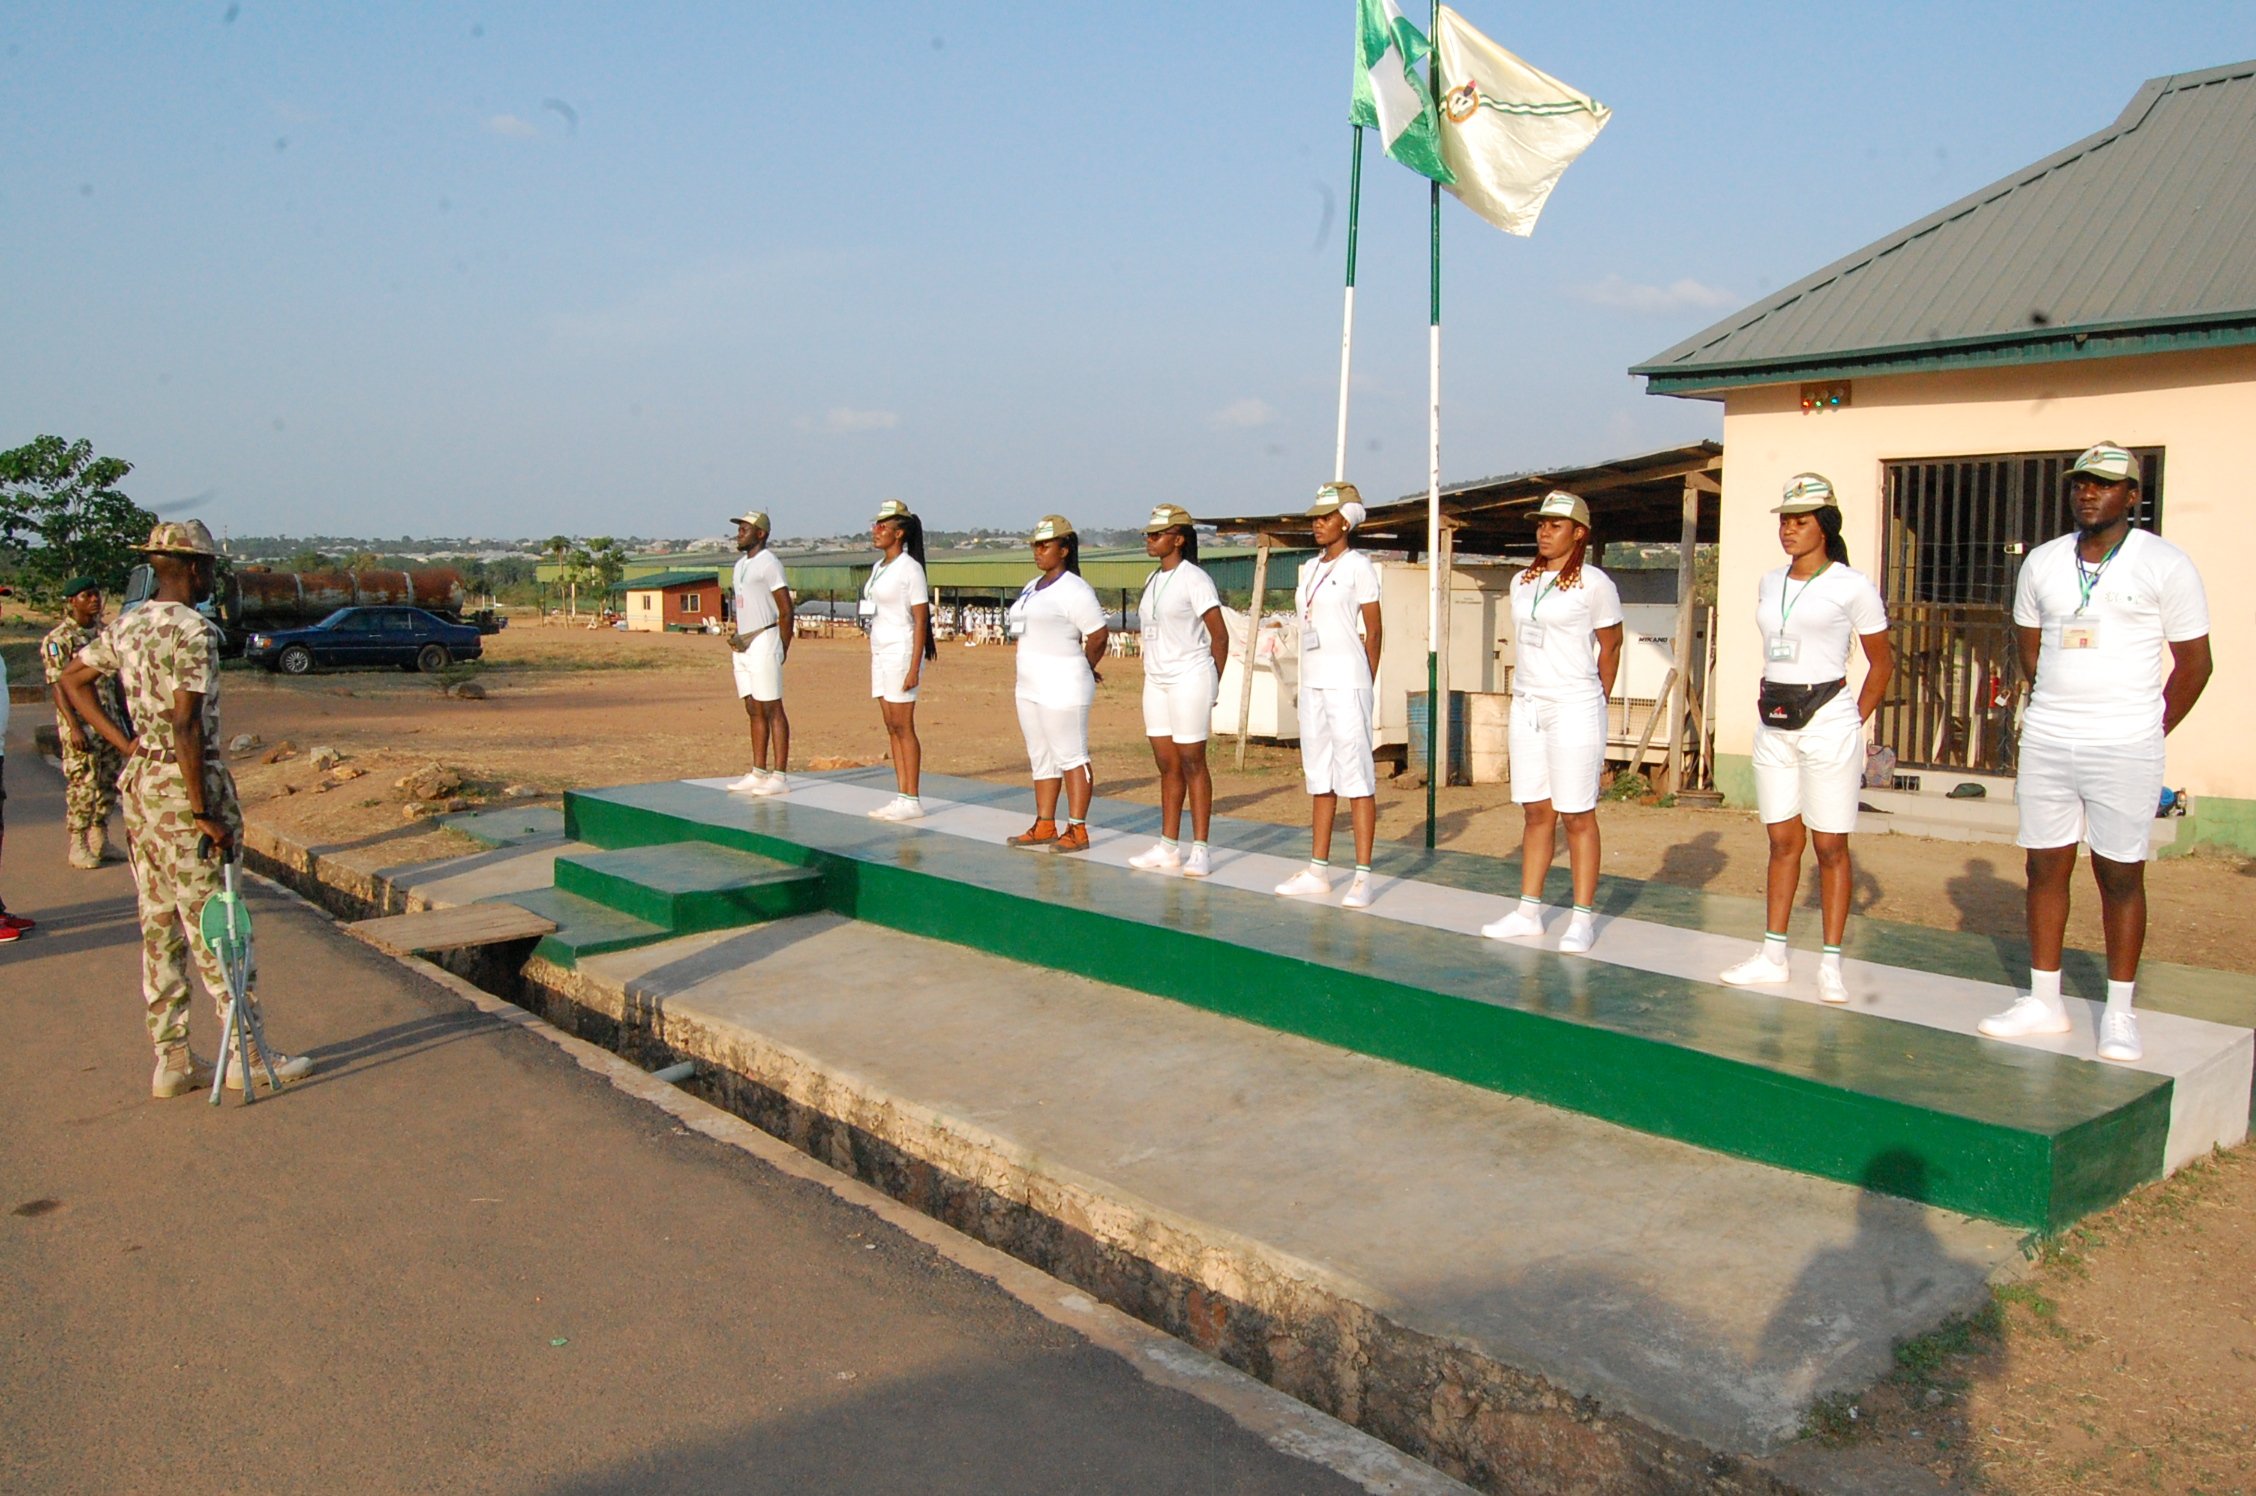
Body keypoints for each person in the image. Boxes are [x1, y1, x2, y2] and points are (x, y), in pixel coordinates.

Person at [60, 521, 315, 1099]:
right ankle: (247, 1050)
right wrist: (202, 810)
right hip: (184, 784)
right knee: (219, 919)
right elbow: (186, 721)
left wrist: (126, 745)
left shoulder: (127, 624)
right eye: (208, 569)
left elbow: (74, 679)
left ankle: (172, 1058)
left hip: (142, 783)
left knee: (159, 923)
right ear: (195, 569)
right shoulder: (193, 630)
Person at [1978, 443, 2212, 1063]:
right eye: (2081, 483)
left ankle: (2119, 1012)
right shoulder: (2044, 563)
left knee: (2119, 873)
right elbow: (2032, 650)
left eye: (2106, 485)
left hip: (2127, 741)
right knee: (2044, 866)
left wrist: (2146, 727)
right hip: (2051, 736)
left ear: (2132, 497)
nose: (2089, 493)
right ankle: (2045, 1000)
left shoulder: (2165, 563)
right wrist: (2060, 703)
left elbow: (2196, 662)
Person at [1715, 474, 1893, 1001]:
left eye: (1800, 521)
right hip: (1774, 717)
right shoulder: (1771, 581)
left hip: (1828, 715)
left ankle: (1831, 963)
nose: (1789, 530)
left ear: (1825, 526)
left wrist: (1851, 718)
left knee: (1831, 843)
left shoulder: (1852, 585)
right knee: (1781, 840)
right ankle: (1773, 953)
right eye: (1784, 521)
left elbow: (1882, 662)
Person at [1481, 492, 1624, 955]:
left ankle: (1582, 918)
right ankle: (1528, 911)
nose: (1544, 531)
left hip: (1574, 704)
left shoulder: (1594, 583)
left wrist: (1595, 697)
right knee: (1535, 809)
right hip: (1527, 703)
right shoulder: (1523, 581)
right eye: (1541, 524)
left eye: (1556, 525)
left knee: (1577, 812)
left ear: (1579, 532)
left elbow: (1611, 644)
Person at [1274, 483, 1383, 910]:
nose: (1317, 524)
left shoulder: (1360, 567)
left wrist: (1366, 681)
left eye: (1326, 516)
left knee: (1356, 774)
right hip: (1314, 680)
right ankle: (1318, 868)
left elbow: (1374, 630)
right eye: (1314, 517)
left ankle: (1362, 875)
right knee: (1319, 774)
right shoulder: (1310, 567)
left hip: (1348, 680)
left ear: (1346, 521)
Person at [1127, 504, 1229, 877]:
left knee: (1192, 761)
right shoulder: (1154, 580)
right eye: (1148, 535)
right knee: (1166, 763)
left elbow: (1220, 636)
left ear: (1179, 539)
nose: (1150, 540)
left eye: (1157, 534)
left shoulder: (1195, 579)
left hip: (1190, 676)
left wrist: (1211, 683)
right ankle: (1168, 844)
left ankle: (1200, 847)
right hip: (1156, 679)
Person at [1003, 516, 1111, 854]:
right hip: (1029, 685)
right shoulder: (1031, 587)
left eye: (1045, 545)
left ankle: (1077, 829)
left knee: (1071, 754)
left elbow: (1098, 634)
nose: (1038, 551)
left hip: (1064, 683)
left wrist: (1085, 666)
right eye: (1035, 545)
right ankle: (1044, 823)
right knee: (1041, 756)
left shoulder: (1075, 589)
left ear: (1064, 549)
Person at [42, 576, 127, 867]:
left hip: (109, 722)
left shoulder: (104, 636)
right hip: (81, 725)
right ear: (71, 601)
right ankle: (78, 842)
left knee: (108, 781)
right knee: (83, 783)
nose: (94, 600)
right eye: (86, 595)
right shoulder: (59, 639)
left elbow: (116, 683)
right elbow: (58, 685)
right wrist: (74, 726)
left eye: (96, 594)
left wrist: (125, 723)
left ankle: (100, 837)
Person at [864, 499, 934, 821]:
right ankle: (900, 793)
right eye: (875, 525)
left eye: (883, 527)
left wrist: (913, 666)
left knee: (904, 725)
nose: (876, 532)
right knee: (890, 724)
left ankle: (912, 796)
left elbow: (921, 619)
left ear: (899, 532)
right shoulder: (879, 567)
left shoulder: (910, 568)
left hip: (901, 649)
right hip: (879, 648)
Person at [722, 510, 795, 797]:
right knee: (752, 706)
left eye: (745, 529)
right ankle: (758, 770)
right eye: (739, 528)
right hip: (743, 642)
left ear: (761, 534)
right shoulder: (740, 565)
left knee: (772, 707)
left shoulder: (769, 563)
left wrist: (782, 647)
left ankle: (780, 775)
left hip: (765, 638)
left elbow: (786, 610)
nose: (739, 533)